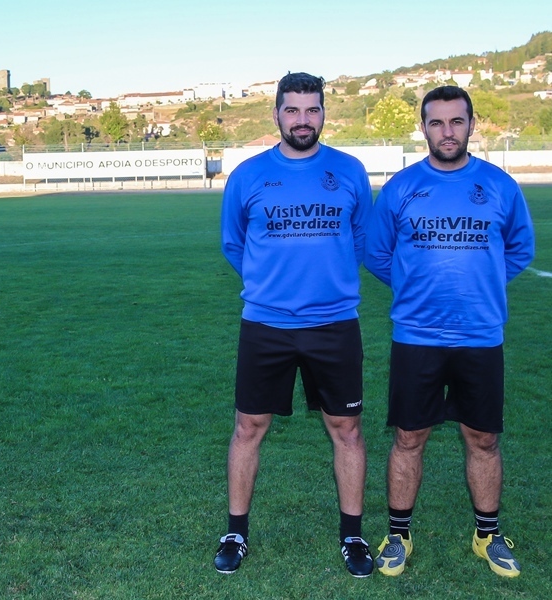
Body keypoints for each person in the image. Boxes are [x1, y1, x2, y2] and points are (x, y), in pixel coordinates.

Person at [364, 85, 535, 578]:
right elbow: (376, 253)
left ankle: (487, 536)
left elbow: (519, 249)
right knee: (409, 436)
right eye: (436, 122)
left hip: (480, 334)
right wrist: (416, 286)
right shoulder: (401, 187)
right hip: (416, 336)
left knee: (483, 438)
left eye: (456, 121)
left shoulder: (500, 186)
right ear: (423, 128)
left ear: (472, 125)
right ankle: (398, 535)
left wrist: (480, 285)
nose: (447, 131)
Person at [214, 72, 374, 578]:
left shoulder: (349, 171)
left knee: (346, 429)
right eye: (292, 110)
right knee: (248, 427)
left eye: (312, 110)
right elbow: (233, 242)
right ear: (277, 114)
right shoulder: (248, 175)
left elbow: (362, 238)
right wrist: (270, 285)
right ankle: (236, 532)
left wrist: (326, 283)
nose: (302, 120)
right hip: (266, 325)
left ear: (324, 113)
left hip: (334, 324)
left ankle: (352, 536)